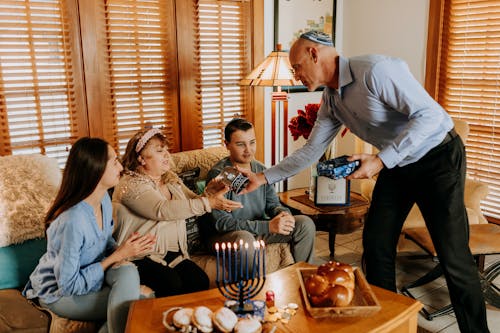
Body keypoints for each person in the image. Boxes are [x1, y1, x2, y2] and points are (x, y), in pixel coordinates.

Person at [238, 31, 489, 333]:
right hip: (397, 163)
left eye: (297, 66)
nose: (295, 75)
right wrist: (263, 177)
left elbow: (431, 116)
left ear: (314, 54)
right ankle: (391, 326)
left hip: (438, 157)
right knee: (376, 245)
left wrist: (381, 160)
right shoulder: (331, 100)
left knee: (453, 255)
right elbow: (310, 151)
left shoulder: (375, 70)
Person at [23, 137, 156, 333]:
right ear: (96, 168)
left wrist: (124, 248)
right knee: (142, 301)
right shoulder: (72, 221)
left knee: (128, 271)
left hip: (95, 275)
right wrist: (117, 256)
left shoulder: (104, 200)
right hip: (59, 293)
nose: (121, 167)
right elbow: (69, 285)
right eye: (114, 162)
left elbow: (104, 242)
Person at [112, 128, 242, 297]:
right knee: (171, 284)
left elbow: (191, 206)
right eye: (159, 151)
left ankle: (189, 323)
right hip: (138, 256)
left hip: (171, 253)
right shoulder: (130, 184)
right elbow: (162, 210)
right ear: (141, 158)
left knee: (200, 280)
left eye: (166, 149)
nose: (167, 155)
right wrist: (207, 202)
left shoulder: (170, 180)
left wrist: (210, 193)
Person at [203, 118, 316, 264]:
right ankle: (251, 287)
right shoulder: (219, 175)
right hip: (227, 236)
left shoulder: (261, 170)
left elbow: (272, 204)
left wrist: (283, 214)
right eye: (240, 144)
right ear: (227, 145)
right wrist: (267, 226)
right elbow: (222, 223)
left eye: (252, 142)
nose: (248, 150)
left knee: (304, 224)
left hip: (255, 231)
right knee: (245, 238)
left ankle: (302, 277)